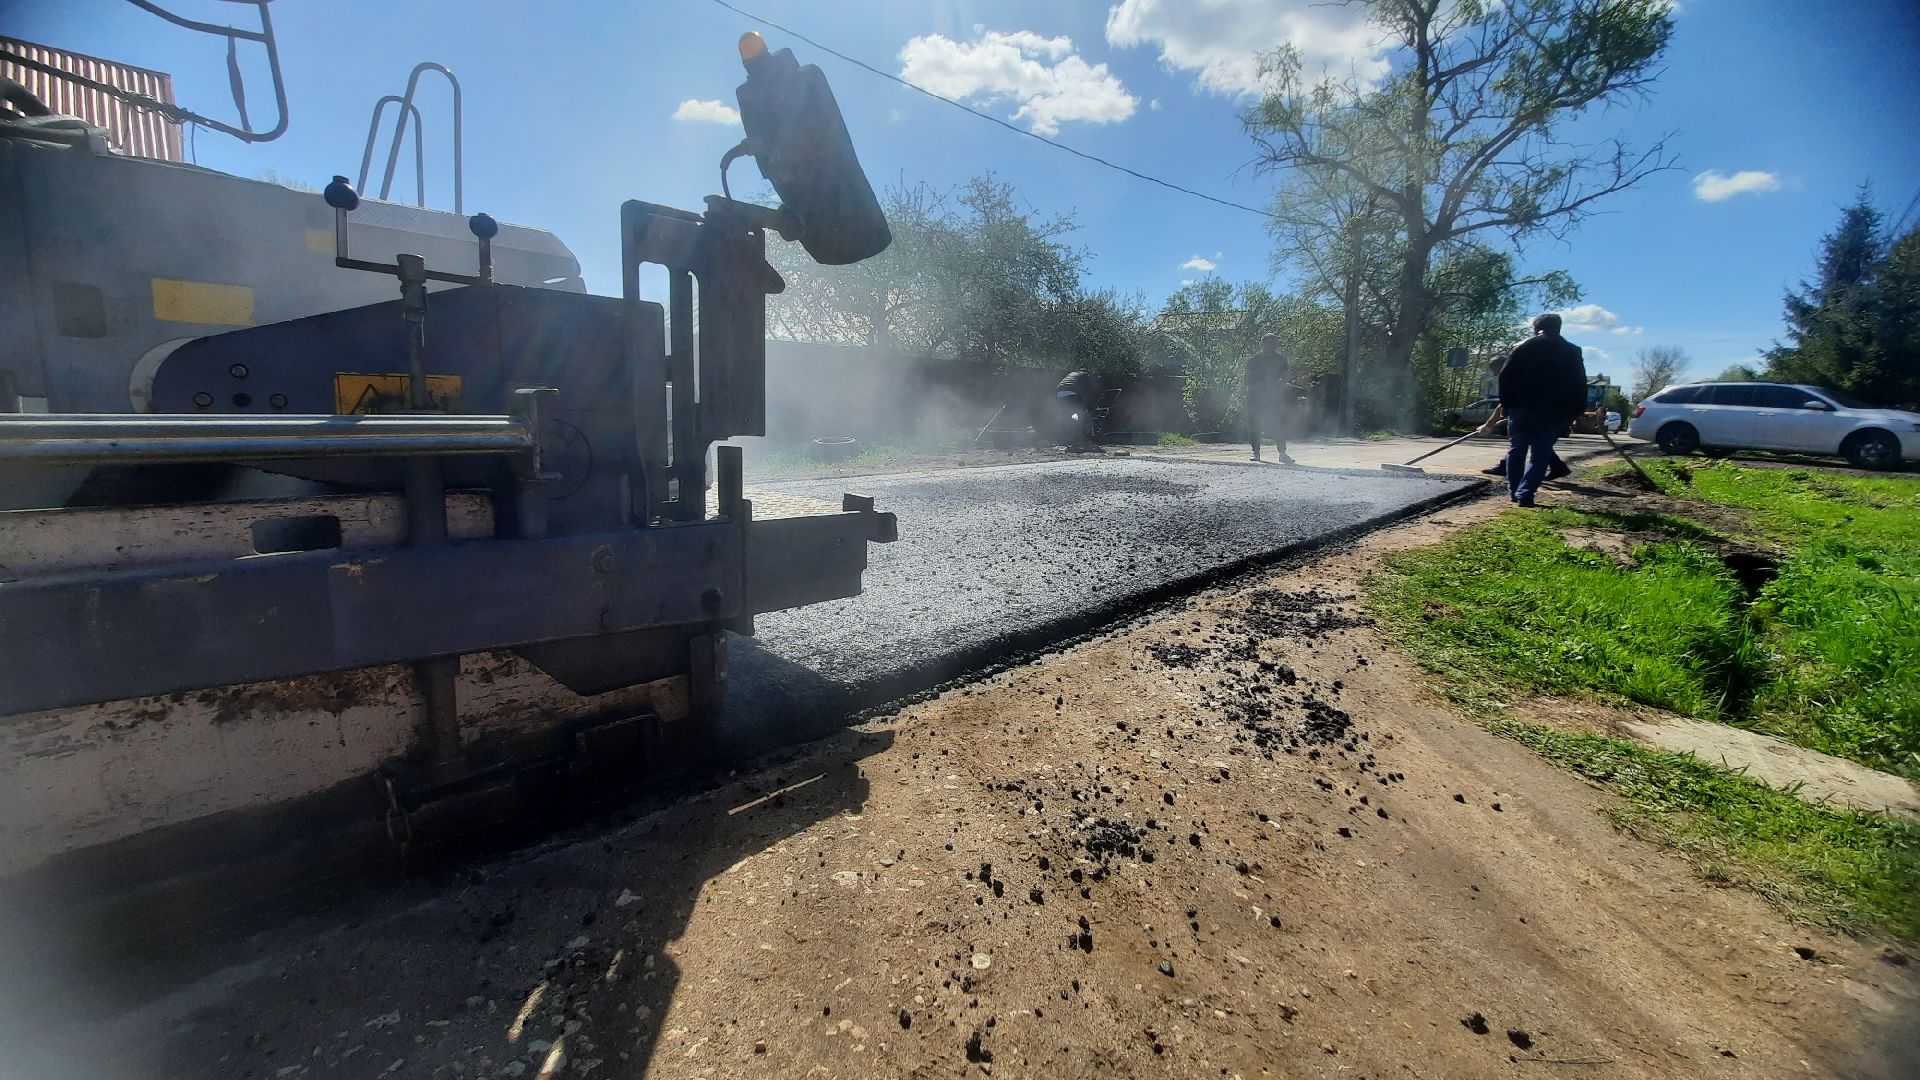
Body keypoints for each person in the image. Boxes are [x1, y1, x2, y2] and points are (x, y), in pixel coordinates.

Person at [1498, 313, 1588, 506]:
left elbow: (1505, 377)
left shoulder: (1521, 347)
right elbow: (1579, 383)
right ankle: (1526, 492)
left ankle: (1514, 490)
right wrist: (1576, 411)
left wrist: (1506, 404)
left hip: (1521, 408)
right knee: (1541, 452)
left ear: (1536, 327)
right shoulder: (1571, 351)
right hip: (1553, 411)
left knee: (1516, 450)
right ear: (1559, 328)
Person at [1246, 334, 1293, 463]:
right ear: (1262, 344)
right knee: (1255, 424)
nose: (1270, 346)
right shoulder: (1254, 360)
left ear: (1276, 344)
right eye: (1267, 343)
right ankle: (1256, 453)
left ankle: (1282, 453)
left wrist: (1282, 384)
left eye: (1273, 343)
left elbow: (1286, 376)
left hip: (1274, 396)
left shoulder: (1280, 359)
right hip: (1256, 396)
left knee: (1278, 423)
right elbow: (1247, 378)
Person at [1054, 369, 1098, 449]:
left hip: (1059, 393)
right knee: (1081, 416)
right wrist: (1086, 407)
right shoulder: (1086, 375)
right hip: (1072, 393)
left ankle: (1066, 439)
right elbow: (1085, 392)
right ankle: (1081, 440)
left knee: (1068, 417)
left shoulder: (1072, 373)